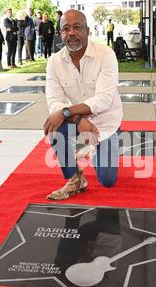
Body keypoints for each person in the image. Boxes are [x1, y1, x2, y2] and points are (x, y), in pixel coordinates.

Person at [44, 10, 123, 200]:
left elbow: (103, 100)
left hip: (107, 122)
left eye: (77, 27)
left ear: (87, 30)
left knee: (107, 181)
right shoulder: (54, 62)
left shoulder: (106, 55)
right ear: (60, 34)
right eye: (65, 29)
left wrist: (67, 112)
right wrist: (78, 119)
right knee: (54, 126)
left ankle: (98, 150)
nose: (71, 33)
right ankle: (75, 178)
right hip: (76, 120)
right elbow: (53, 101)